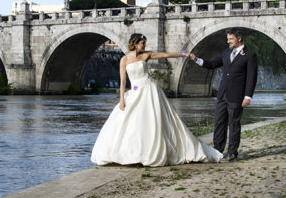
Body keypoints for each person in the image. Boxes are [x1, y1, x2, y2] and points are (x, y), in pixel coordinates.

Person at [92, 34, 222, 167]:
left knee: (152, 122)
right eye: (143, 43)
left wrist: (184, 54)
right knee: (130, 123)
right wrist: (121, 100)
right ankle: (133, 153)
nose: (145, 45)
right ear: (136, 43)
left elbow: (166, 55)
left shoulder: (146, 55)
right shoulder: (124, 59)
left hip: (149, 91)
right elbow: (123, 81)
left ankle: (150, 152)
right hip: (134, 92)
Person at [187, 28, 258, 161]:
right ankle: (217, 150)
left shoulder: (249, 54)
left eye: (230, 39)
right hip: (222, 94)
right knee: (219, 123)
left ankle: (232, 152)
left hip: (237, 95)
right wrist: (196, 59)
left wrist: (248, 96)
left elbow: (251, 76)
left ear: (239, 38)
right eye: (227, 39)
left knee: (234, 124)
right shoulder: (226, 53)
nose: (228, 41)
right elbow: (212, 64)